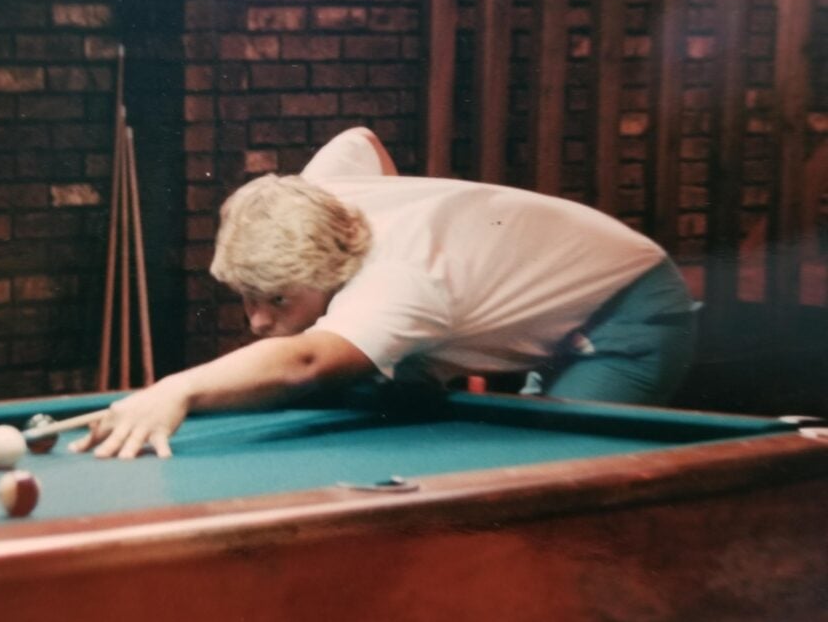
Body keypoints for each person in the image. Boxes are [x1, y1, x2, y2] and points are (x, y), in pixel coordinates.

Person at [72, 127, 697, 459]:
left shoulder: (400, 283)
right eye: (247, 297)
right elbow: (361, 140)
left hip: (627, 315)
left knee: (557, 480)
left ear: (329, 272)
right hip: (570, 286)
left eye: (278, 300)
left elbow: (306, 361)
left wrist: (174, 388)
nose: (257, 321)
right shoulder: (315, 199)